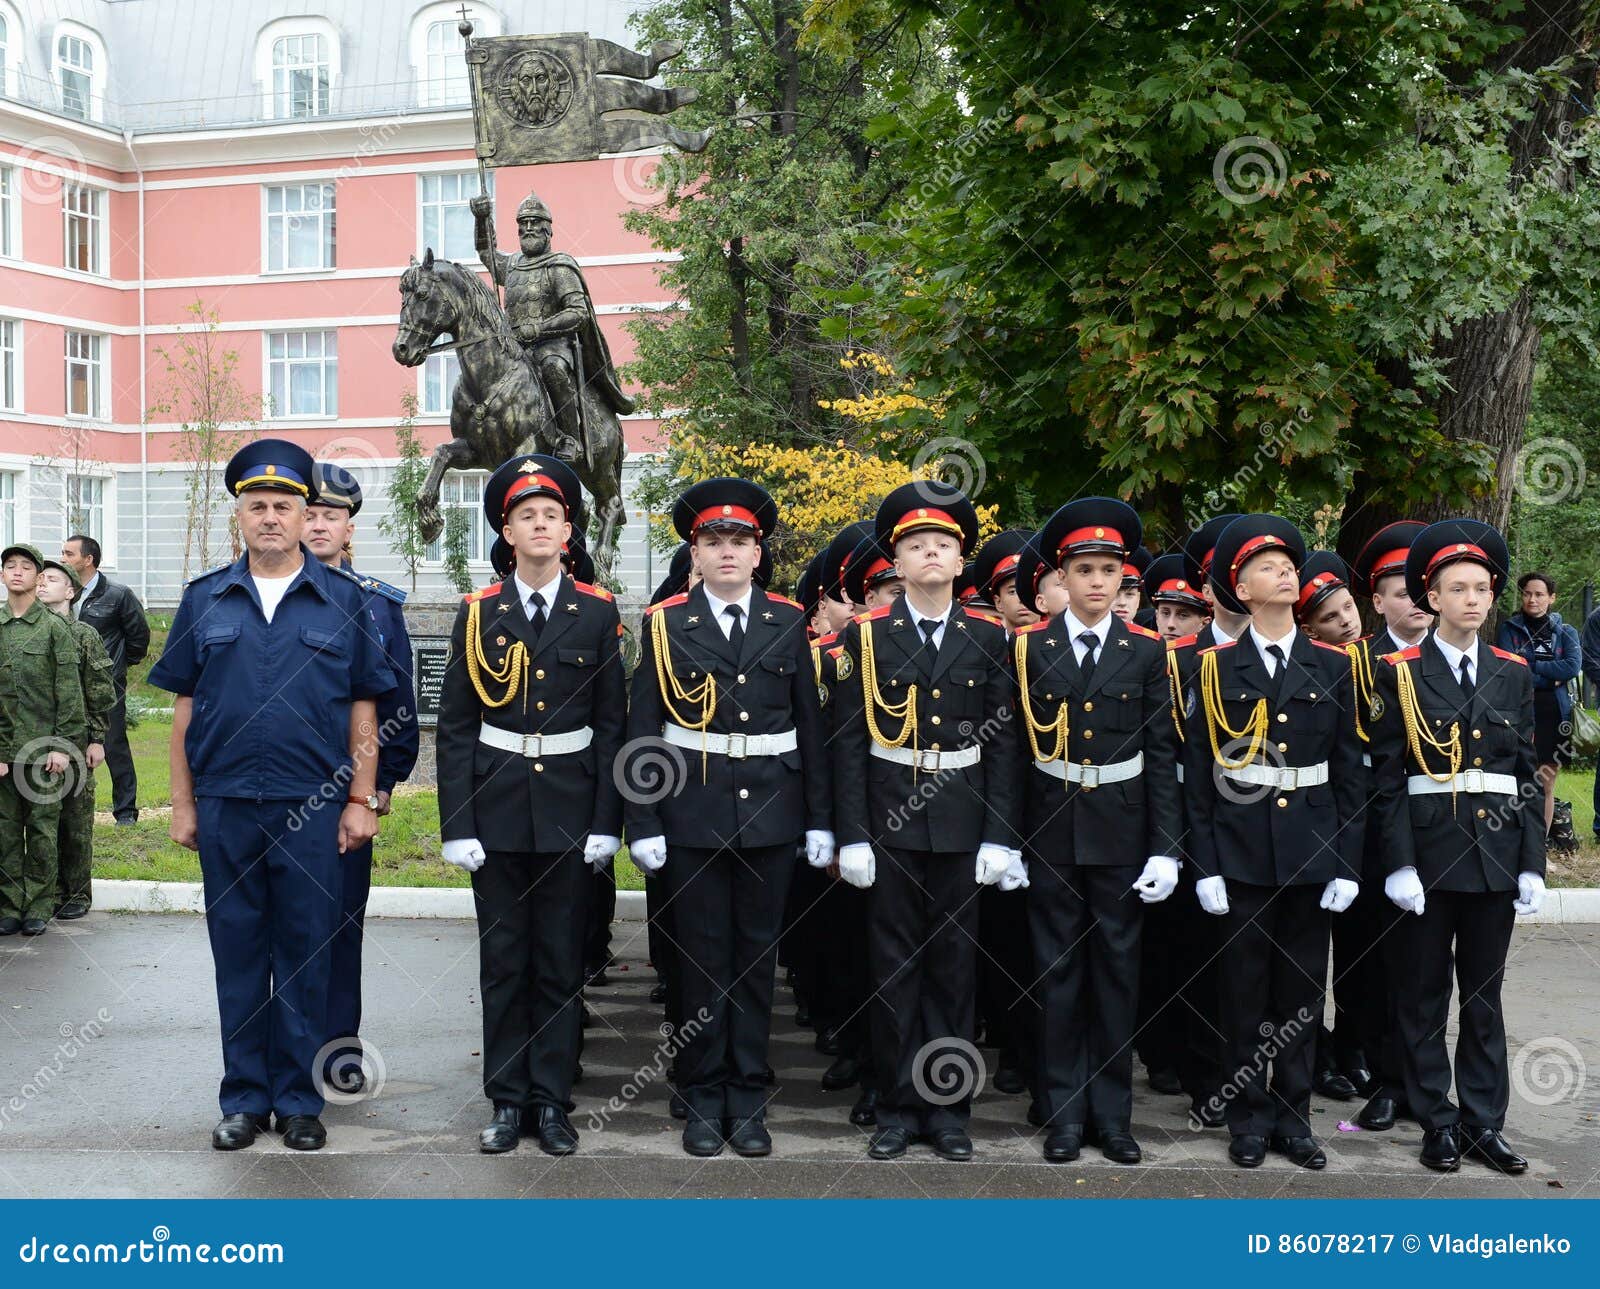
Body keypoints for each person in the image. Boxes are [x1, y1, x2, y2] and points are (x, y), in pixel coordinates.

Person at [147, 440, 395, 1152]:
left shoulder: (344, 601)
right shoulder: (206, 599)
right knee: (237, 954)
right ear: (240, 517)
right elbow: (185, 712)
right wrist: (183, 802)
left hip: (313, 808)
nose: (271, 517)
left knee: (306, 953)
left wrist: (360, 798)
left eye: (284, 505)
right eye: (257, 505)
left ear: (302, 514)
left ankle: (298, 1100)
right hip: (226, 804)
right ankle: (243, 1099)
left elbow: (364, 711)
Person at [625, 478, 831, 1158]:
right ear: (696, 552)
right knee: (700, 962)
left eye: (739, 541)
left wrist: (820, 819)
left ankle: (748, 1096)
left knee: (755, 962)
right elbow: (644, 731)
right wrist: (644, 821)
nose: (727, 552)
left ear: (758, 550)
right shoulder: (666, 623)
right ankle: (701, 1092)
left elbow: (809, 725)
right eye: (713, 541)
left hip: (772, 814)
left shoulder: (786, 621)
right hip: (692, 815)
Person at [435, 453, 625, 1156]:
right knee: (504, 962)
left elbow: (613, 728)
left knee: (560, 962)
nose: (540, 525)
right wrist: (457, 824)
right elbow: (455, 727)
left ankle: (552, 1100)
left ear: (568, 532)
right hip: (499, 810)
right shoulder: (480, 611)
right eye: (526, 516)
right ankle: (506, 1099)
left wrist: (609, 821)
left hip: (573, 813)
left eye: (552, 515)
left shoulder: (599, 613)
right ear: (507, 532)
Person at [832, 480, 1020, 1162]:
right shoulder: (868, 635)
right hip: (888, 821)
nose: (931, 552)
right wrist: (851, 833)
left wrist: (1001, 835)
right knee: (891, 969)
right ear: (898, 562)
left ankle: (947, 1109)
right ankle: (895, 1106)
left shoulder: (988, 634)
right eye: (917, 544)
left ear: (960, 560)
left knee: (954, 972)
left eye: (943, 543)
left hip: (964, 822)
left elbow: (1003, 743)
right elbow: (848, 741)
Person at [1180, 513, 1366, 1171]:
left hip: (1311, 848)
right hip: (1239, 851)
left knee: (1300, 994)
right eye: (1268, 566)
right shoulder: (1211, 668)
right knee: (1243, 991)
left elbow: (1349, 771)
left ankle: (1294, 1118)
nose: (1286, 571)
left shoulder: (1334, 666)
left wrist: (1347, 859)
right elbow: (1199, 778)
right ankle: (1247, 1118)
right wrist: (1204, 865)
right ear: (1240, 587)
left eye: (1290, 563)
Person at [1369, 519, 1545, 1175]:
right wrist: (1400, 862)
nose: (1473, 598)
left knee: (1483, 998)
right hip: (1429, 855)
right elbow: (1386, 777)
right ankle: (1436, 1123)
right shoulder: (1399, 672)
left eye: (1482, 587)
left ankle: (1482, 1123)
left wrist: (1531, 862)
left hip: (1494, 859)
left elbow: (1527, 773)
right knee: (1420, 996)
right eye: (1457, 588)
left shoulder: (1513, 673)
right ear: (1432, 597)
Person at [1013, 499, 1183, 1164]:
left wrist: (1167, 847)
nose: (1096, 581)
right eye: (1084, 568)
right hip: (1051, 830)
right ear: (1063, 575)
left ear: (1122, 578)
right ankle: (1061, 1113)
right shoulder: (1029, 647)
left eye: (1109, 570)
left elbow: (1164, 754)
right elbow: (1012, 753)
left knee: (1116, 975)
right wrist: (1008, 836)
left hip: (1121, 829)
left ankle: (1112, 1116)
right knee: (1056, 975)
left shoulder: (1147, 651)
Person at [302, 463, 420, 1094]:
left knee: (342, 927)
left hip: (349, 794)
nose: (319, 525)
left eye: (331, 516)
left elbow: (397, 703)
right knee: (279, 929)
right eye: (310, 513)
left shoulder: (375, 604)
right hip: (278, 793)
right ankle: (283, 1049)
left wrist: (379, 788)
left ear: (349, 528)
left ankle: (337, 1050)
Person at [1345, 519, 1431, 1133]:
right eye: (1402, 592)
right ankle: (1375, 1071)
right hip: (1365, 837)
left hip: (1433, 837)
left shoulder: (1451, 659)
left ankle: (1410, 1079)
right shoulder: (1353, 663)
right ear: (1377, 602)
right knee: (1363, 965)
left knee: (1420, 970)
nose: (1416, 602)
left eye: (1422, 589)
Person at [969, 527, 1039, 1098]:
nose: (1021, 598)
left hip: (1054, 815)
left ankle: (1033, 1049)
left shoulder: (1046, 647)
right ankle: (1011, 1044)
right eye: (1009, 590)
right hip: (991, 814)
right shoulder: (992, 646)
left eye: (1029, 587)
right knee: (1001, 940)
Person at [0, 544, 86, 936]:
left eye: (25, 567)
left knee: (42, 832)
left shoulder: (54, 629)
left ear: (38, 578)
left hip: (42, 753)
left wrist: (63, 746)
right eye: (9, 566)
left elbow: (68, 692)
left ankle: (37, 905)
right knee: (4, 832)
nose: (17, 572)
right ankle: (8, 905)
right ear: (3, 576)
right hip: (4, 753)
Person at [36, 558, 115, 921]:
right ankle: (42, 892)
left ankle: (75, 893)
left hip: (76, 742)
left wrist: (96, 738)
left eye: (52, 579)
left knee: (75, 821)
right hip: (31, 740)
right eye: (40, 578)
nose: (42, 583)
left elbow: (99, 690)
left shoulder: (84, 635)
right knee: (38, 822)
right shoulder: (26, 634)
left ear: (70, 591)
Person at [61, 534, 148, 826]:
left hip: (106, 685)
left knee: (113, 744)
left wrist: (117, 666)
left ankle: (125, 812)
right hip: (67, 683)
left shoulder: (118, 594)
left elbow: (138, 638)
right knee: (67, 743)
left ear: (88, 560)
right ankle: (68, 808)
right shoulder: (62, 591)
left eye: (69, 554)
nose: (63, 559)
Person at [1495, 571, 1580, 835]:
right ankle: (1515, 840)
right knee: (1518, 778)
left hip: (1555, 715)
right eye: (1527, 593)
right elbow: (1510, 669)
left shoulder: (1565, 631)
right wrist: (1550, 676)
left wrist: (1532, 667)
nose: (1532, 599)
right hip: (1520, 712)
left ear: (1552, 598)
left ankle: (1538, 844)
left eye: (1539, 594)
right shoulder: (1510, 629)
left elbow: (1572, 666)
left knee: (1546, 783)